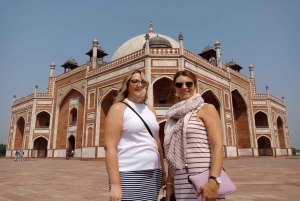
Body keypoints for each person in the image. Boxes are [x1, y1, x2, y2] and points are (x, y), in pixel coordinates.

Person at [104, 68, 166, 201]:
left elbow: (157, 142)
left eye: (143, 82)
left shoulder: (150, 109)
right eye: (135, 81)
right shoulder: (119, 108)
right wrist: (115, 184)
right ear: (127, 85)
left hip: (154, 173)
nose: (139, 84)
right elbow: (110, 147)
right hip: (129, 172)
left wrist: (163, 171)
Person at [164, 70, 224, 201]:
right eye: (179, 85)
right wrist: (170, 184)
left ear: (196, 85)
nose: (184, 87)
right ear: (174, 87)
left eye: (188, 84)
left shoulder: (206, 109)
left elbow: (217, 146)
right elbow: (171, 156)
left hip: (204, 178)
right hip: (181, 181)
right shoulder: (172, 117)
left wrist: (214, 180)